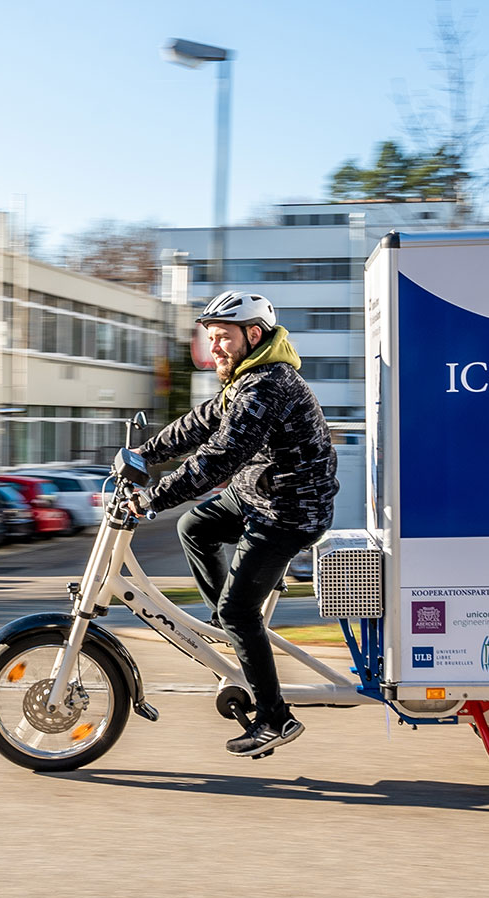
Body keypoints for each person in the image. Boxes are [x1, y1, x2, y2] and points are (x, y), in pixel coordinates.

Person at [129, 291, 339, 757]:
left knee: (240, 611)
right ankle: (229, 626)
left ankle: (274, 718)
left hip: (289, 511)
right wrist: (145, 455)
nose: (214, 348)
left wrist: (150, 500)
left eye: (222, 337)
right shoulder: (244, 379)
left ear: (253, 335)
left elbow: (221, 455)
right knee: (194, 528)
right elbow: (200, 423)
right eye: (210, 338)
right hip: (257, 496)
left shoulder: (268, 385)